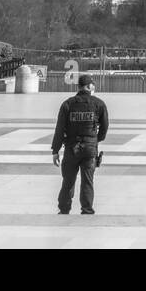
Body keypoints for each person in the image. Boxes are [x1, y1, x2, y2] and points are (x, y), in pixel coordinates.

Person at [51, 73, 109, 215]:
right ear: (89, 86)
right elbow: (105, 127)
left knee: (68, 180)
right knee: (88, 181)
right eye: (92, 85)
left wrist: (55, 150)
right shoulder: (99, 104)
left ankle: (64, 208)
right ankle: (87, 209)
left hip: (71, 148)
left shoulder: (68, 104)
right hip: (90, 149)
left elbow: (59, 128)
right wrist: (96, 139)